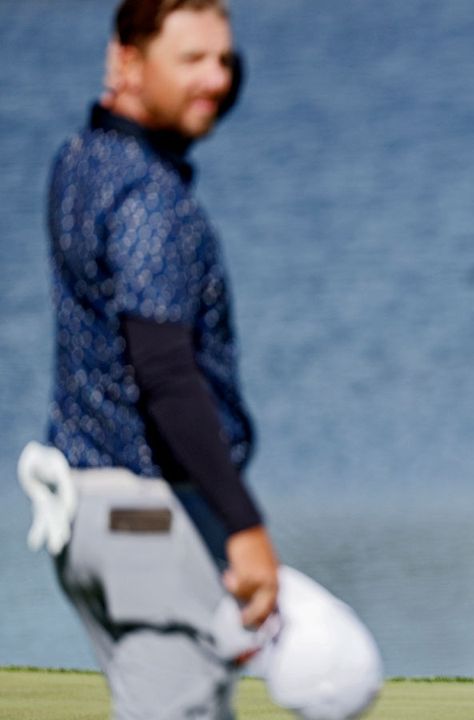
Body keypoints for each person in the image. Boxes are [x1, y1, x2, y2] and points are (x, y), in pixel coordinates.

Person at [30, 1, 283, 716]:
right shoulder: (152, 201)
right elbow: (166, 375)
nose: (216, 79)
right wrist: (244, 525)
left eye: (225, 60)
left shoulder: (81, 161)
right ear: (127, 62)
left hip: (84, 514)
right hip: (149, 521)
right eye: (192, 60)